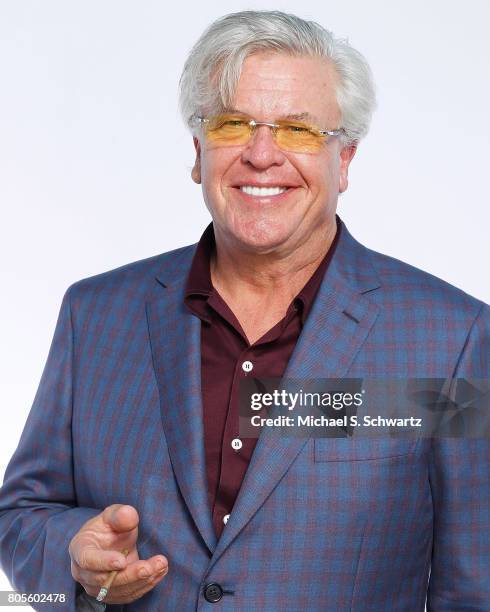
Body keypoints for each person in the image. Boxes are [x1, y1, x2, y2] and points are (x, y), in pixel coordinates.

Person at [0, 10, 488, 612]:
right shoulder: (94, 315)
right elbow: (21, 514)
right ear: (199, 152)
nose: (262, 155)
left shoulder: (451, 339)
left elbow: (476, 583)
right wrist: (73, 559)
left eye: (300, 131)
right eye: (234, 123)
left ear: (346, 161)